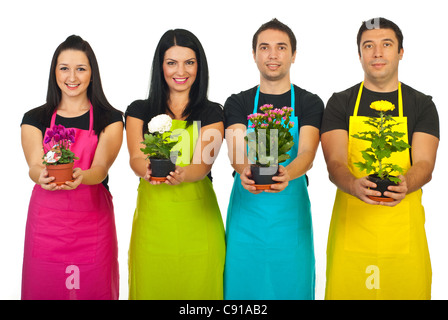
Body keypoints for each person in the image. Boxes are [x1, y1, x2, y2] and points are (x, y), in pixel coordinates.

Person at [321, 17, 439, 299]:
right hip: (352, 232)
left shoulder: (421, 104)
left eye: (386, 44)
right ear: (359, 53)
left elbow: (424, 163)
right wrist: (353, 184)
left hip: (403, 236)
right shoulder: (341, 102)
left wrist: (405, 183)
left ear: (400, 51)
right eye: (368, 46)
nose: (377, 53)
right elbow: (335, 162)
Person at [223, 18, 324, 299]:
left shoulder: (309, 102)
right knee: (243, 288)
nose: (272, 54)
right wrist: (245, 170)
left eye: (281, 47)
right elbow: (236, 149)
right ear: (254, 54)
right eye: (264, 47)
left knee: (292, 286)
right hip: (247, 213)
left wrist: (286, 174)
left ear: (293, 54)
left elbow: (307, 153)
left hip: (290, 216)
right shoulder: (238, 102)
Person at [20, 35, 123, 299]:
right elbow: (33, 164)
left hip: (92, 227)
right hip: (46, 229)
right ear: (54, 72)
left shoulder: (109, 118)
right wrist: (40, 175)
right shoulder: (35, 118)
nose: (72, 76)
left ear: (92, 73)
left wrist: (83, 175)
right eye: (64, 68)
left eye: (81, 68)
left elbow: (100, 168)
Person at [125, 29, 225, 300]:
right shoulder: (138, 110)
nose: (181, 71)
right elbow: (136, 156)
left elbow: (203, 165)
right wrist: (145, 169)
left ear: (199, 66)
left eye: (189, 62)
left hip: (199, 226)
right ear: (161, 66)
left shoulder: (213, 113)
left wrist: (182, 174)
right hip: (152, 228)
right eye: (172, 62)